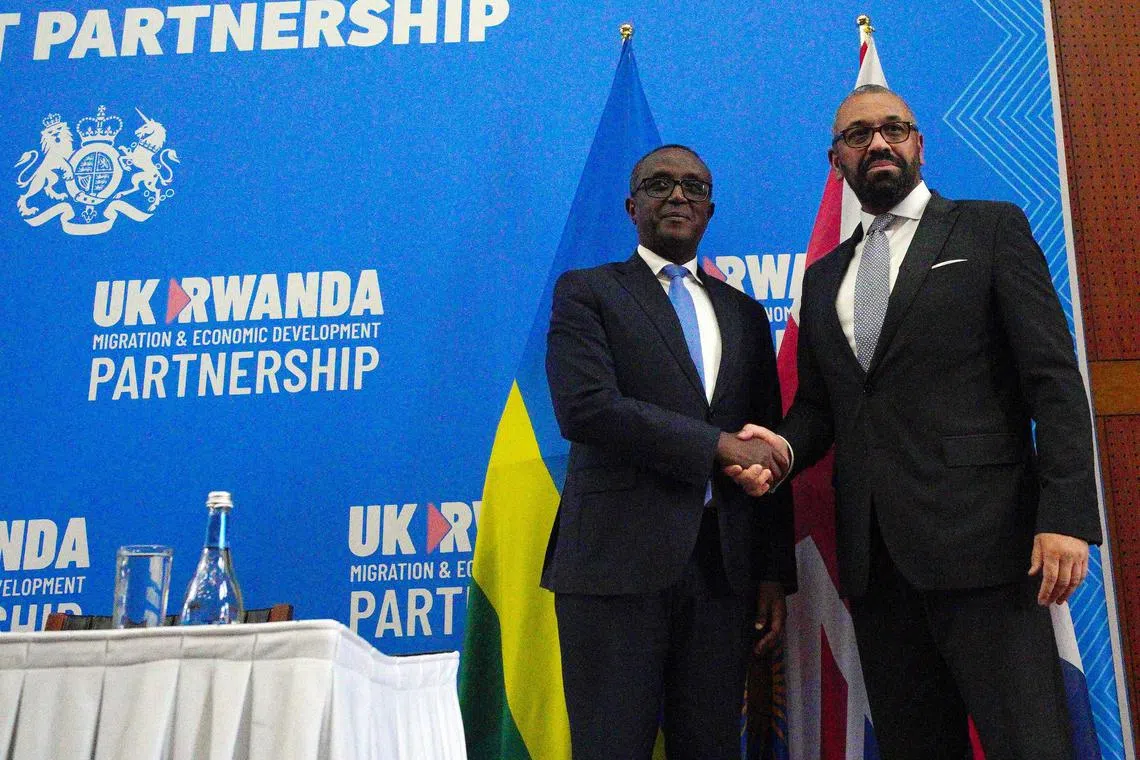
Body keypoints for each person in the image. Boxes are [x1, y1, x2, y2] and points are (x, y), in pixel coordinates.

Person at [728, 85, 1103, 759]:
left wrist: (1067, 517)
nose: (878, 143)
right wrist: (781, 446)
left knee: (1029, 744)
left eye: (893, 129)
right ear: (836, 159)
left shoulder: (990, 229)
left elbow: (1053, 380)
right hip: (878, 564)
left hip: (989, 546)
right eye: (858, 135)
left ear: (919, 144)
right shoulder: (824, 278)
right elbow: (821, 407)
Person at [541, 144, 796, 759]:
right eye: (660, 184)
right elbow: (586, 409)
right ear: (632, 207)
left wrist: (770, 574)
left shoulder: (745, 314)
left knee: (710, 748)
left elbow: (764, 437)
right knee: (611, 747)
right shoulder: (588, 292)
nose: (678, 195)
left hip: (722, 571)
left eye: (694, 187)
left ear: (710, 210)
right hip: (613, 564)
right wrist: (715, 445)